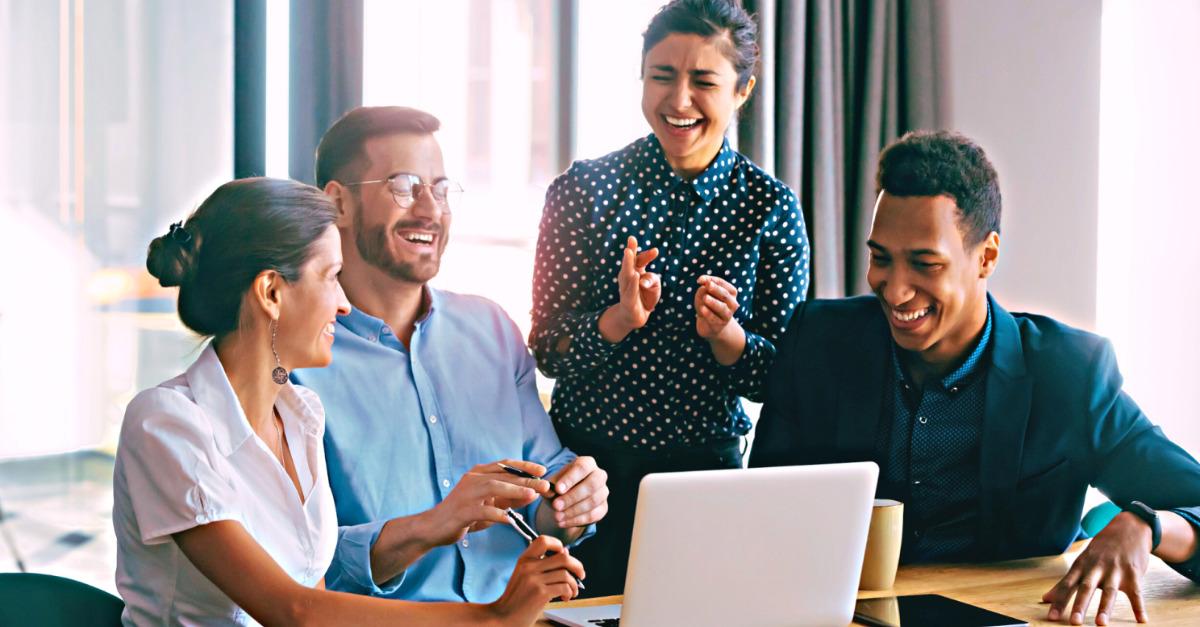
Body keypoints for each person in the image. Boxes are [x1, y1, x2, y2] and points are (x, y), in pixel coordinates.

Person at [749, 131, 1200, 626]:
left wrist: (1149, 526)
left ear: (986, 257)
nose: (895, 289)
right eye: (881, 258)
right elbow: (759, 516)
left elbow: (1191, 497)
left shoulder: (1069, 374)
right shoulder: (818, 342)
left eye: (925, 263)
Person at [114, 178, 584, 626]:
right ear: (271, 292)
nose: (343, 303)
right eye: (331, 277)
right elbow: (296, 613)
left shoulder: (300, 416)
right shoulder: (166, 423)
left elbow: (318, 600)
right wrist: (493, 617)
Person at [529, 0, 810, 595]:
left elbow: (786, 378)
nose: (678, 100)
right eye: (662, 76)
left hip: (704, 478)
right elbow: (546, 351)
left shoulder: (772, 209)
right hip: (583, 477)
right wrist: (616, 320)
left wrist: (729, 341)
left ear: (742, 90)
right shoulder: (583, 191)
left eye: (703, 80)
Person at [288, 106, 609, 604]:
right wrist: (433, 525)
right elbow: (298, 565)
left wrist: (573, 500)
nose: (429, 210)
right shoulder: (296, 361)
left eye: (439, 188)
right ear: (339, 204)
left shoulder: (493, 330)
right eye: (404, 185)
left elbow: (543, 482)